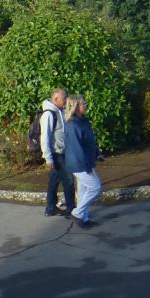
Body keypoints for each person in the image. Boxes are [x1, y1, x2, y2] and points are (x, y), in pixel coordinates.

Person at [64, 96, 101, 230]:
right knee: (95, 187)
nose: (85, 105)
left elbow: (88, 141)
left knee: (83, 190)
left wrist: (97, 153)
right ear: (76, 106)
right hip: (79, 163)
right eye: (83, 104)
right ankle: (78, 213)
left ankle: (83, 218)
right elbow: (77, 147)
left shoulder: (83, 121)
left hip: (84, 161)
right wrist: (86, 166)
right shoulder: (73, 124)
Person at [38, 87, 74, 217]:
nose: (66, 101)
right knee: (68, 179)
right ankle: (71, 209)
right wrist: (48, 158)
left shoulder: (60, 111)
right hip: (56, 153)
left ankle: (50, 208)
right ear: (56, 99)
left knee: (54, 180)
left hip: (61, 152)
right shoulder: (49, 114)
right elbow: (45, 137)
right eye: (64, 98)